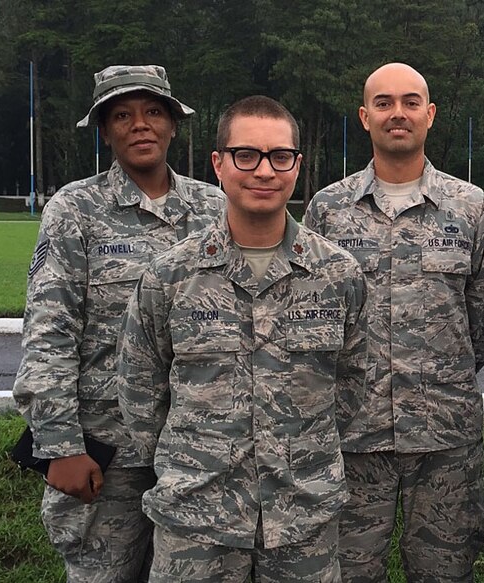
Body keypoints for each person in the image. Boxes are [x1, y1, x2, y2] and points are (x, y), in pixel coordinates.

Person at [116, 95, 367, 582]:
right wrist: (192, 462)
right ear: (219, 164)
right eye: (246, 155)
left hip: (303, 518)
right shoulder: (171, 275)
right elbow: (140, 391)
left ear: (297, 165)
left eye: (280, 156)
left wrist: (302, 454)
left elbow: (353, 384)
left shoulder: (338, 274)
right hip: (196, 521)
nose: (264, 171)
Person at [12, 64, 225, 582]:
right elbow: (49, 331)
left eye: (153, 112)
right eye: (122, 116)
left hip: (198, 446)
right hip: (109, 450)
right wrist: (60, 446)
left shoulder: (214, 207)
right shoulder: (76, 209)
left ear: (173, 124)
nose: (140, 125)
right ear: (105, 131)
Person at [303, 62, 484, 582]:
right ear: (364, 116)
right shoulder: (328, 210)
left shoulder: (469, 206)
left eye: (411, 102)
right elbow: (313, 316)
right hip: (352, 433)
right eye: (384, 103)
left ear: (429, 114)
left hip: (444, 437)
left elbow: (479, 317)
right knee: (346, 571)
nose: (398, 113)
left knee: (445, 571)